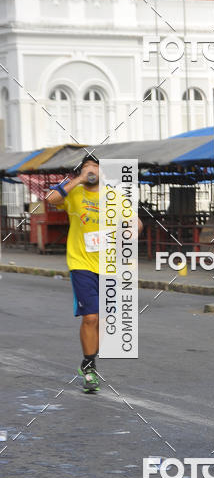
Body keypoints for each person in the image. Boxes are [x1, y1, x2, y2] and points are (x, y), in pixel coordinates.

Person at [47, 156, 142, 392]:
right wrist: (78, 179)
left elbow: (136, 223)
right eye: (86, 167)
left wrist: (130, 232)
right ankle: (89, 367)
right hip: (81, 263)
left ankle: (88, 359)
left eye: (95, 167)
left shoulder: (115, 197)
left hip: (110, 266)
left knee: (106, 320)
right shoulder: (74, 194)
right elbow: (51, 199)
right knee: (90, 317)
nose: (91, 170)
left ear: (103, 173)